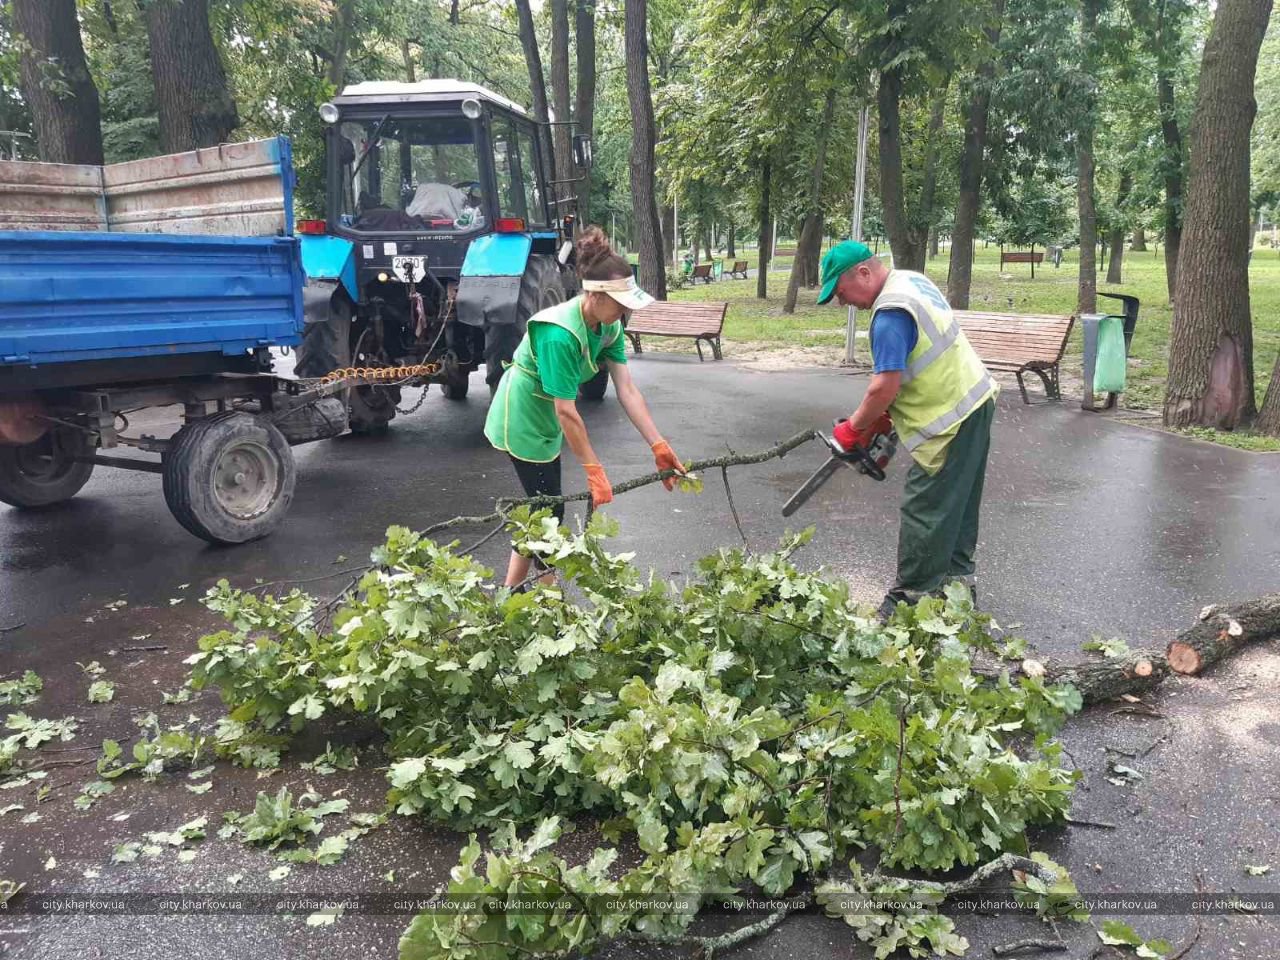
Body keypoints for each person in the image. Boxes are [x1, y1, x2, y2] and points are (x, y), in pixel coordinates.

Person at [484, 226, 686, 587]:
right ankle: (546, 599)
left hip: (546, 416)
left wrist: (658, 445)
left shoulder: (609, 327)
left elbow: (627, 389)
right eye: (621, 303)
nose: (625, 310)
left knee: (542, 509)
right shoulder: (559, 333)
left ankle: (510, 593)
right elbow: (567, 411)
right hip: (524, 416)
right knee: (549, 511)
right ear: (595, 295)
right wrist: (594, 469)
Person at [816, 241, 998, 619]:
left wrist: (854, 429)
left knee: (926, 506)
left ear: (863, 274)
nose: (841, 302)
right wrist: (882, 416)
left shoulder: (889, 315)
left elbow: (884, 386)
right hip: (975, 399)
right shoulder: (909, 281)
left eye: (841, 291)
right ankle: (958, 590)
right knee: (959, 503)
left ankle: (910, 599)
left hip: (949, 416)